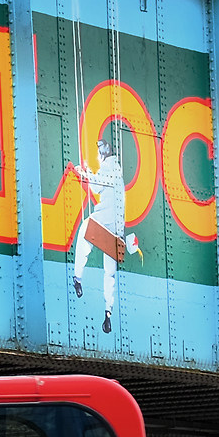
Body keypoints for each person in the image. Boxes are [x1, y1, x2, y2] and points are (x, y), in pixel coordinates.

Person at [69, 132, 143, 334]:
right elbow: (98, 184)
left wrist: (83, 172)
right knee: (109, 270)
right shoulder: (114, 170)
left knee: (85, 231)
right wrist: (88, 172)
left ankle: (77, 277)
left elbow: (95, 183)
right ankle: (108, 313)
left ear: (102, 155)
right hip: (117, 228)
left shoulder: (110, 167)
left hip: (105, 219)